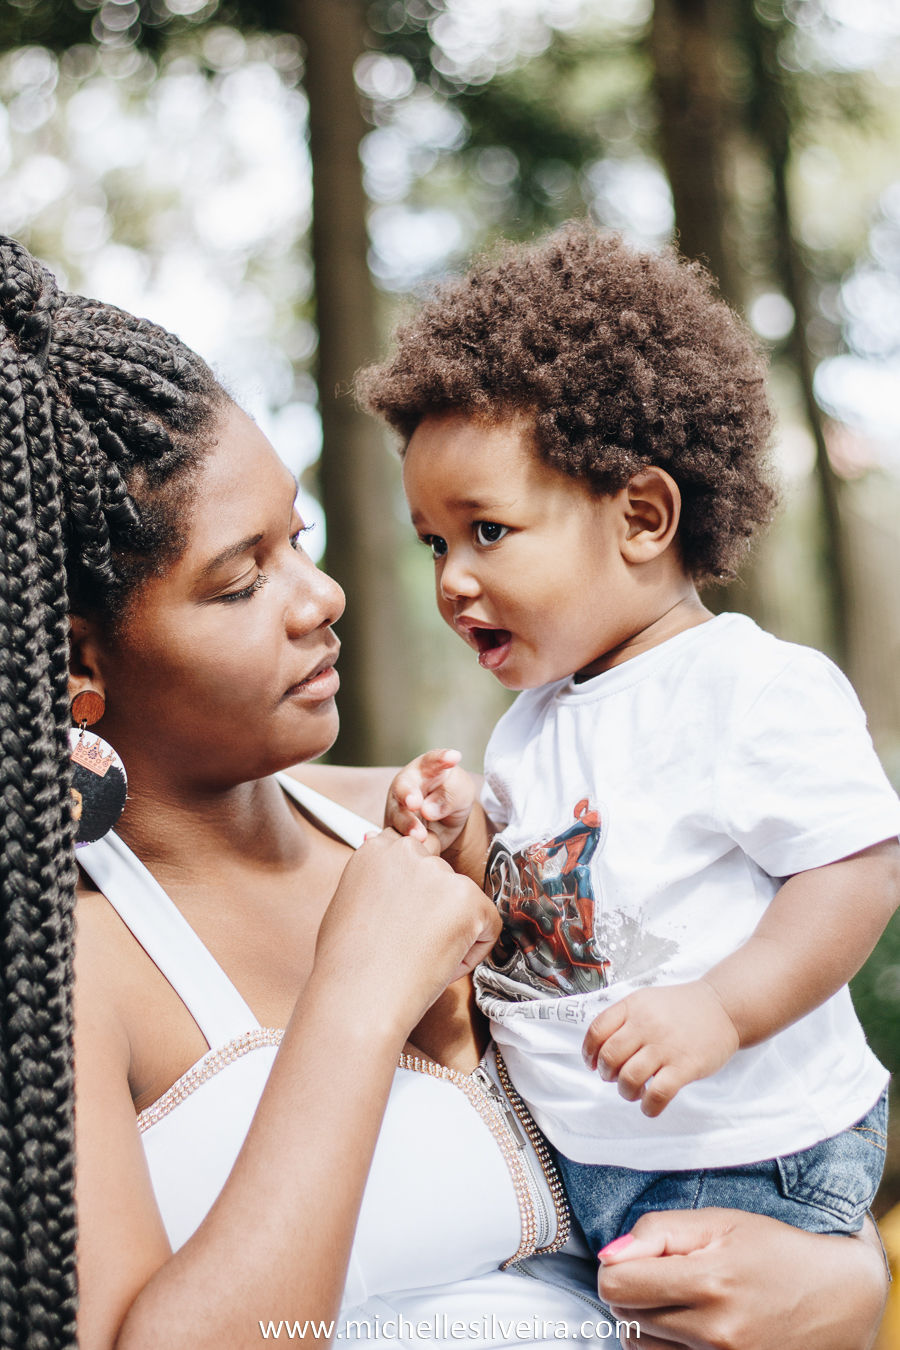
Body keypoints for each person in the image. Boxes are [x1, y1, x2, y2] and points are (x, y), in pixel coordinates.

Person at [0, 234, 890, 1350]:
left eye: (301, 538)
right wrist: (361, 991)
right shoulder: (62, 956)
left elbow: (739, 1129)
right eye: (240, 580)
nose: (321, 596)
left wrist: (840, 1283)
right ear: (75, 660)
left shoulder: (458, 823)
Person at [368, 225, 900, 1256]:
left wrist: (721, 1010)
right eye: (433, 542)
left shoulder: (746, 686)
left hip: (751, 1155)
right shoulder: (535, 722)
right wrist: (463, 829)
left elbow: (858, 871)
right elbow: (551, 906)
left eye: (487, 530)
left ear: (644, 516)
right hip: (598, 1159)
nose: (451, 579)